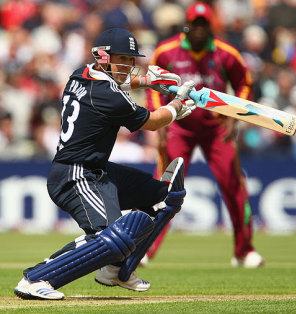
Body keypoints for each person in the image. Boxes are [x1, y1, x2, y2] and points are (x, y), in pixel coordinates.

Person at [14, 27, 197, 300]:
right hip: (75, 174)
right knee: (109, 238)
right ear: (103, 57)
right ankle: (37, 278)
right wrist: (177, 105)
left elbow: (114, 83)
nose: (127, 66)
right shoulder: (110, 96)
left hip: (97, 171)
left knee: (164, 197)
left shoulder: (80, 74)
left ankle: (116, 270)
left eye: (130, 60)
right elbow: (153, 121)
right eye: (121, 59)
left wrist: (147, 82)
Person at [144, 2, 264, 268]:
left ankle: (244, 251)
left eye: (203, 24)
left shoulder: (226, 53)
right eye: (194, 24)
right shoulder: (166, 51)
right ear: (187, 25)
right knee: (163, 187)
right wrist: (158, 120)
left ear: (210, 26)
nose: (198, 29)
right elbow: (152, 86)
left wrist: (236, 115)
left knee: (233, 186)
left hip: (216, 129)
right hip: (179, 127)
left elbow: (245, 82)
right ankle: (145, 249)